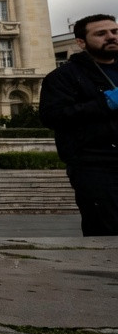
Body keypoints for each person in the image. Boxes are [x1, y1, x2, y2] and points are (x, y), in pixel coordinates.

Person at [40, 13, 118, 236]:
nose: (111, 37)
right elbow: (52, 117)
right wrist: (105, 103)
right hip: (96, 166)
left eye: (115, 31)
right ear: (81, 42)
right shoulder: (64, 76)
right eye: (101, 34)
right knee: (108, 231)